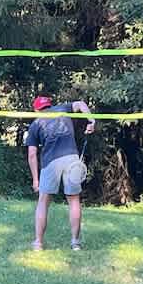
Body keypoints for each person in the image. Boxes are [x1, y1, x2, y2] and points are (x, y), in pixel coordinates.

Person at [25, 93, 96, 251]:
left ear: (36, 110)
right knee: (74, 200)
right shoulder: (63, 109)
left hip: (50, 162)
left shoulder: (35, 124)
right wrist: (91, 120)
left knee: (43, 202)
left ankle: (38, 243)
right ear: (50, 105)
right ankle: (75, 243)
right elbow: (80, 103)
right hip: (71, 159)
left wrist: (35, 179)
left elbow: (32, 155)